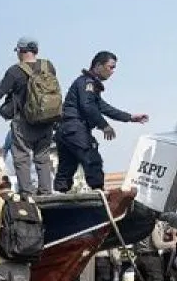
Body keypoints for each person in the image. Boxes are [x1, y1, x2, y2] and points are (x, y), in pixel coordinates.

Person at [53, 51, 149, 193]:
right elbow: (88, 106)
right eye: (110, 67)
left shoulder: (87, 85)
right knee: (92, 160)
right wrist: (104, 126)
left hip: (66, 130)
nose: (112, 71)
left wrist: (130, 117)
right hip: (75, 128)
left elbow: (103, 107)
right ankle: (99, 193)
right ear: (98, 66)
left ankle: (59, 195)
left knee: (67, 165)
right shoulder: (87, 83)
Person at [0, 36, 59, 195]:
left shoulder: (14, 71)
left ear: (20, 51)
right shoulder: (48, 66)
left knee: (22, 157)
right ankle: (46, 192)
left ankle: (27, 193)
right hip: (47, 120)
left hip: (24, 122)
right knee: (43, 157)